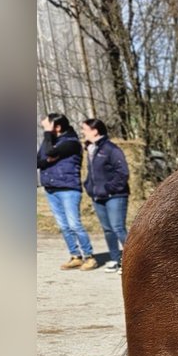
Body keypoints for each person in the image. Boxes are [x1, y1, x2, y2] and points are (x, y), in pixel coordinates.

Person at [38, 113, 96, 270]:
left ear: (57, 127)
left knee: (74, 224)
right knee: (63, 226)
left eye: (48, 127)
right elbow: (39, 160)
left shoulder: (71, 142)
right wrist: (47, 158)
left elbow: (50, 153)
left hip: (68, 189)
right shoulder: (50, 142)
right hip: (51, 188)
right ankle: (75, 255)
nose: (45, 130)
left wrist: (48, 136)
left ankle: (89, 256)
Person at [81, 118, 130, 273]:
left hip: (115, 196)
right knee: (107, 229)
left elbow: (122, 173)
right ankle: (115, 260)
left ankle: (133, 262)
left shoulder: (111, 149)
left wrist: (109, 188)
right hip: (98, 197)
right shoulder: (90, 149)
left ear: (95, 131)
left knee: (118, 228)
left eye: (85, 129)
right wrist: (89, 186)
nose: (82, 132)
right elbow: (92, 174)